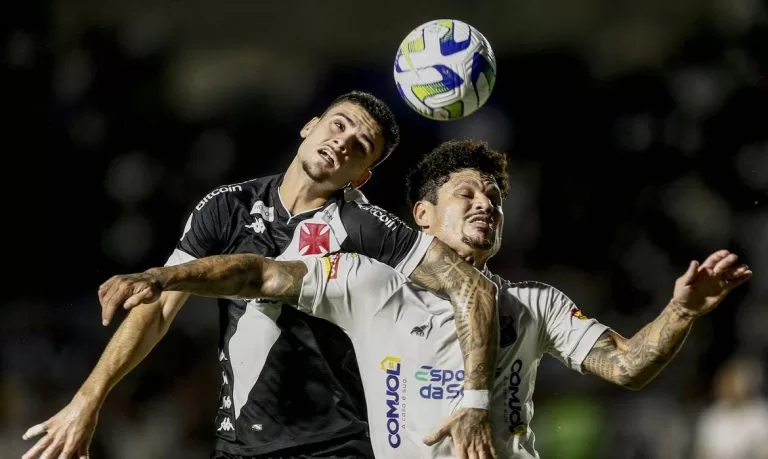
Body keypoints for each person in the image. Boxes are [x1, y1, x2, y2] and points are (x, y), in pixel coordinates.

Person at [95, 139, 753, 457]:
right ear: (423, 216)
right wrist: (166, 277)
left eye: (493, 198)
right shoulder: (368, 283)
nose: (485, 203)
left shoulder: (535, 302)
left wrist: (681, 312)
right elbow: (260, 275)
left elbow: (628, 364)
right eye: (466, 193)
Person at [22, 93, 500, 459]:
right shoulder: (226, 207)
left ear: (361, 177)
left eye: (360, 146)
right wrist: (88, 400)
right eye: (338, 125)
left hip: (333, 447)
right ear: (310, 126)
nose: (342, 141)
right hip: (240, 446)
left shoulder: (365, 228)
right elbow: (157, 308)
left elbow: (472, 287)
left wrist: (475, 400)